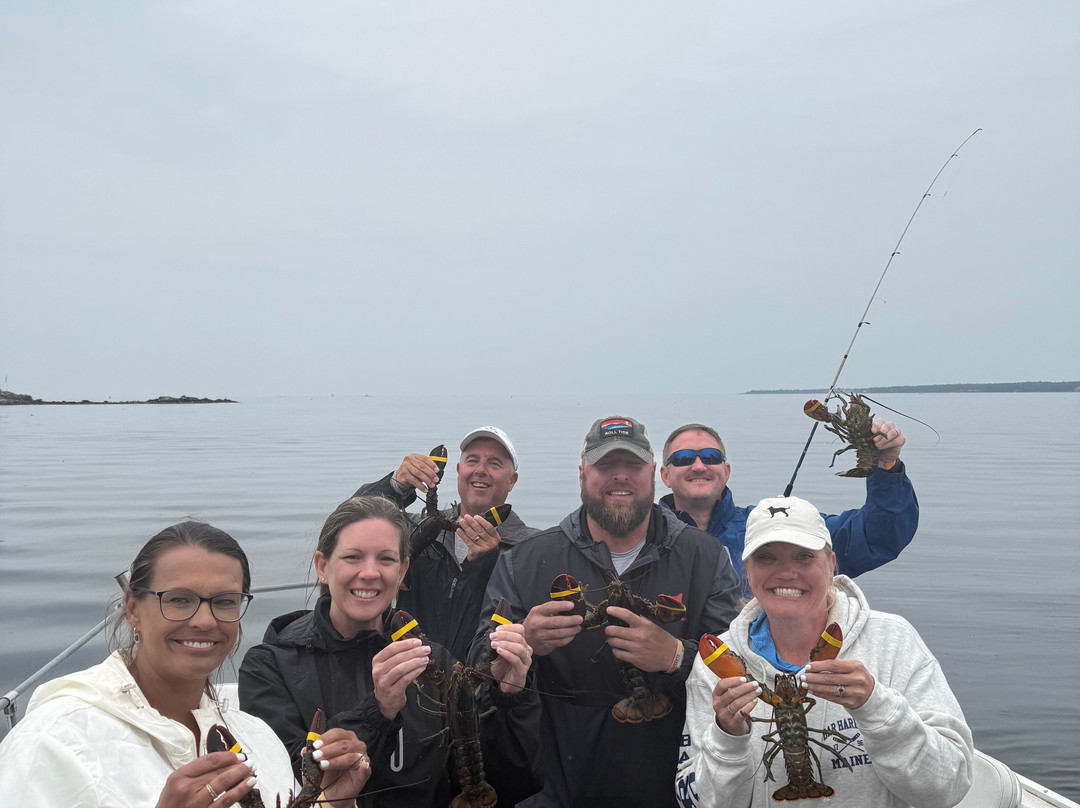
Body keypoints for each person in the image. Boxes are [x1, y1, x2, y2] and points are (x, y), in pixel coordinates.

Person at [0, 521, 370, 808]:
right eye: (178, 600)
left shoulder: (255, 736)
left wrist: (332, 800)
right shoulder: (52, 741)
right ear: (132, 608)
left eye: (225, 601)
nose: (205, 621)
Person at [474, 415, 742, 808]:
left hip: (672, 785)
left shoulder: (704, 556)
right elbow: (479, 664)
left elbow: (739, 669)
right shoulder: (524, 560)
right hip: (557, 785)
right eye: (605, 466)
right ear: (583, 473)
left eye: (632, 465)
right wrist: (522, 645)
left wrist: (676, 657)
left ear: (653, 473)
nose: (620, 477)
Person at [239, 495, 541, 808]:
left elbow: (508, 784)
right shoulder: (268, 667)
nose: (370, 573)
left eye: (386, 559)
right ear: (322, 566)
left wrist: (511, 698)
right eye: (352, 557)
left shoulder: (434, 661)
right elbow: (280, 782)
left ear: (402, 570)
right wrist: (378, 710)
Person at [676, 496, 973, 808]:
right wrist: (727, 737)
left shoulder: (892, 641)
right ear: (746, 571)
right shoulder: (715, 666)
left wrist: (877, 707)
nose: (786, 572)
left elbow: (947, 790)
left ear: (831, 565)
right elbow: (695, 802)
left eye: (804, 557)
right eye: (766, 558)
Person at [658, 421, 917, 591]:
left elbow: (877, 536)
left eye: (710, 457)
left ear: (726, 471)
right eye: (682, 458)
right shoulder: (643, 537)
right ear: (665, 475)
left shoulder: (772, 525)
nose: (699, 466)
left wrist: (886, 467)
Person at [353, 425, 538, 661]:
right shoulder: (416, 527)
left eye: (494, 463)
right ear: (459, 470)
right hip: (411, 674)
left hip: (485, 684)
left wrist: (485, 565)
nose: (481, 470)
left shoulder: (531, 548)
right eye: (472, 461)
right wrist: (394, 486)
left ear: (512, 480)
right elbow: (351, 524)